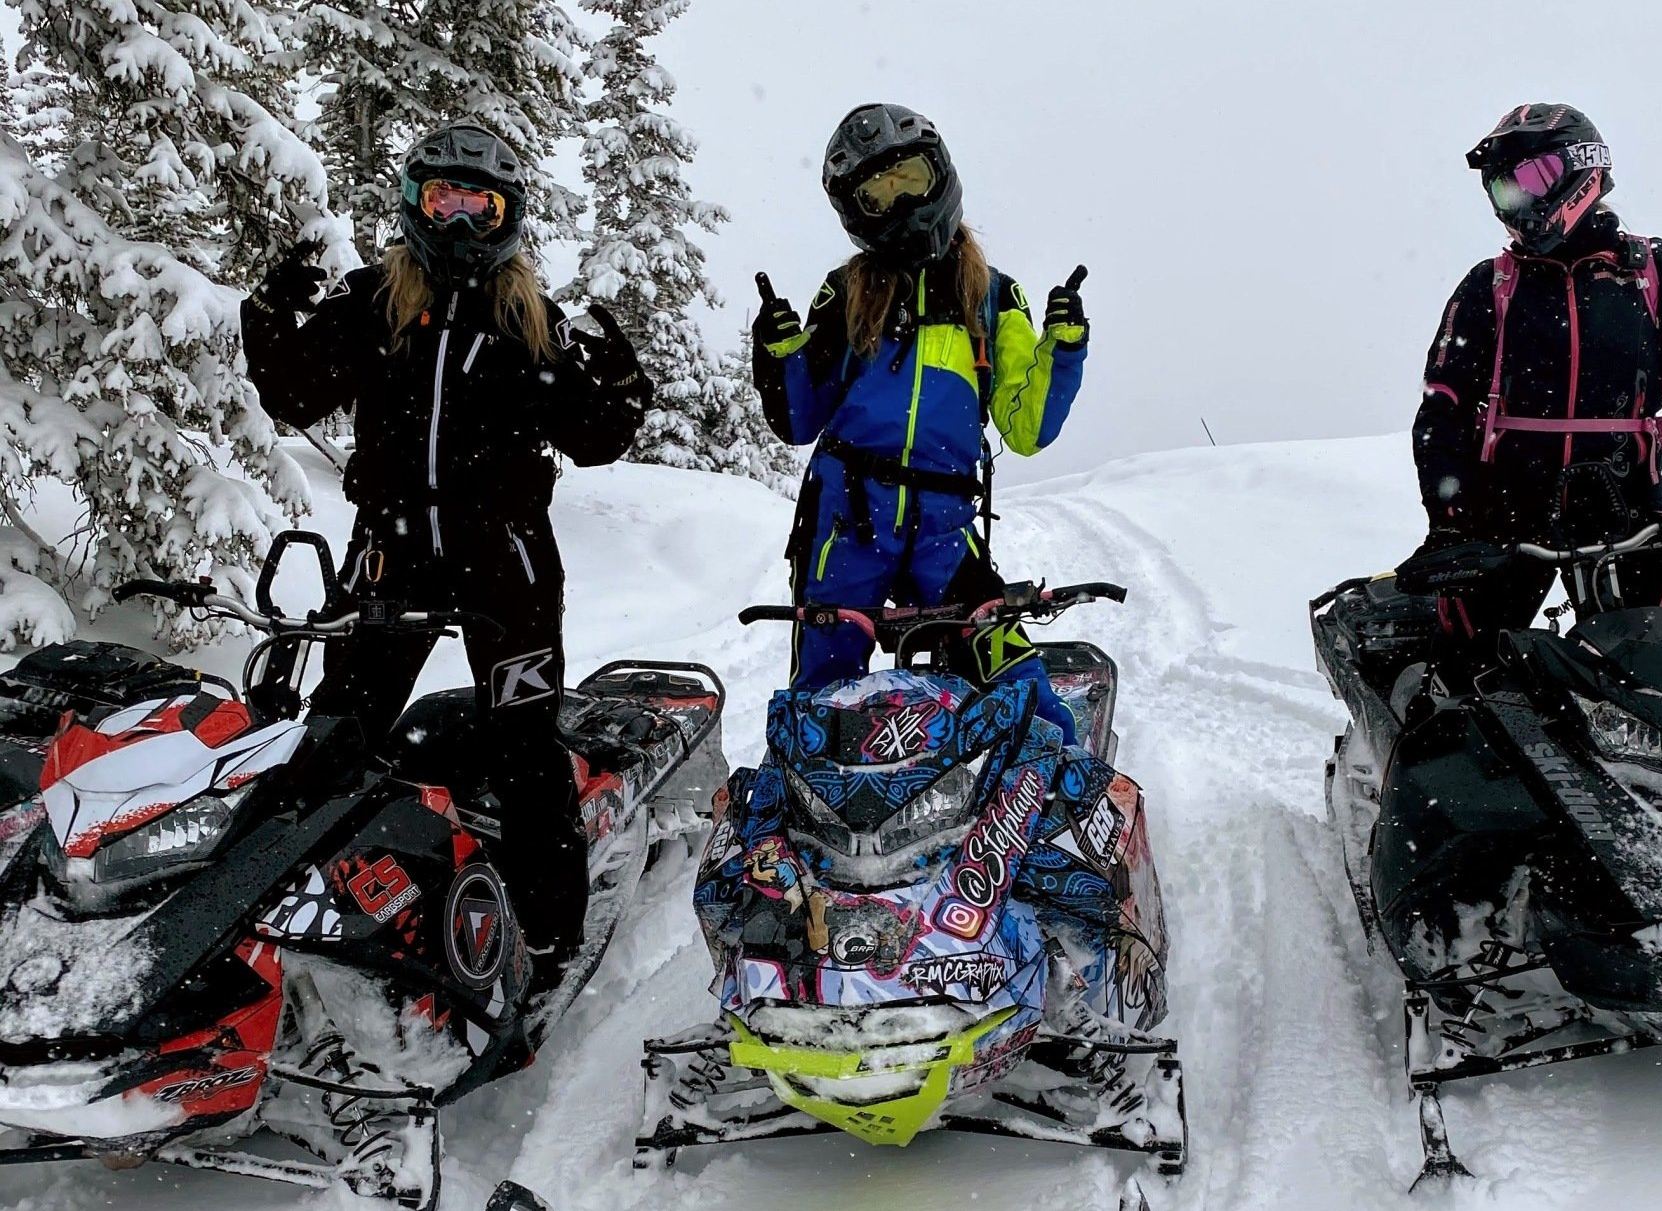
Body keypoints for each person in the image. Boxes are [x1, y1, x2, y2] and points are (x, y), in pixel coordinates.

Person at [240, 122, 652, 993]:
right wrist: (270, 316)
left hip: (506, 565)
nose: (461, 223)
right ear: (416, 205)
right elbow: (294, 389)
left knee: (525, 748)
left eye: (481, 205)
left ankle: (547, 943)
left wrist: (619, 387)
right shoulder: (377, 304)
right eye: (444, 201)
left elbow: (595, 436)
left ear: (508, 215)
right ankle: (289, 916)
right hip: (391, 555)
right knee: (338, 734)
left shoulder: (533, 324)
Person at [752, 102, 1088, 741]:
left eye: (909, 179)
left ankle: (1061, 784)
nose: (901, 203)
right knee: (823, 693)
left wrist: (1062, 349)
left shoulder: (991, 294)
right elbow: (801, 419)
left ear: (940, 175)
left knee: (1006, 666)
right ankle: (806, 813)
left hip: (944, 523)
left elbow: (1027, 427)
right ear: (856, 212)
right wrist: (779, 355)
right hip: (847, 519)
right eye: (878, 194)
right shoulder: (846, 291)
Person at [1411, 102, 1662, 684]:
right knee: (1465, 677)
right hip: (1501, 514)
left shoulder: (1656, 272)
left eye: (1530, 180)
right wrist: (1447, 521)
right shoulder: (1490, 286)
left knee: (1651, 678)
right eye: (1504, 190)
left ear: (1584, 169)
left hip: (1628, 510)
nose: (1519, 204)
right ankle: (1403, 760)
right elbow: (1443, 408)